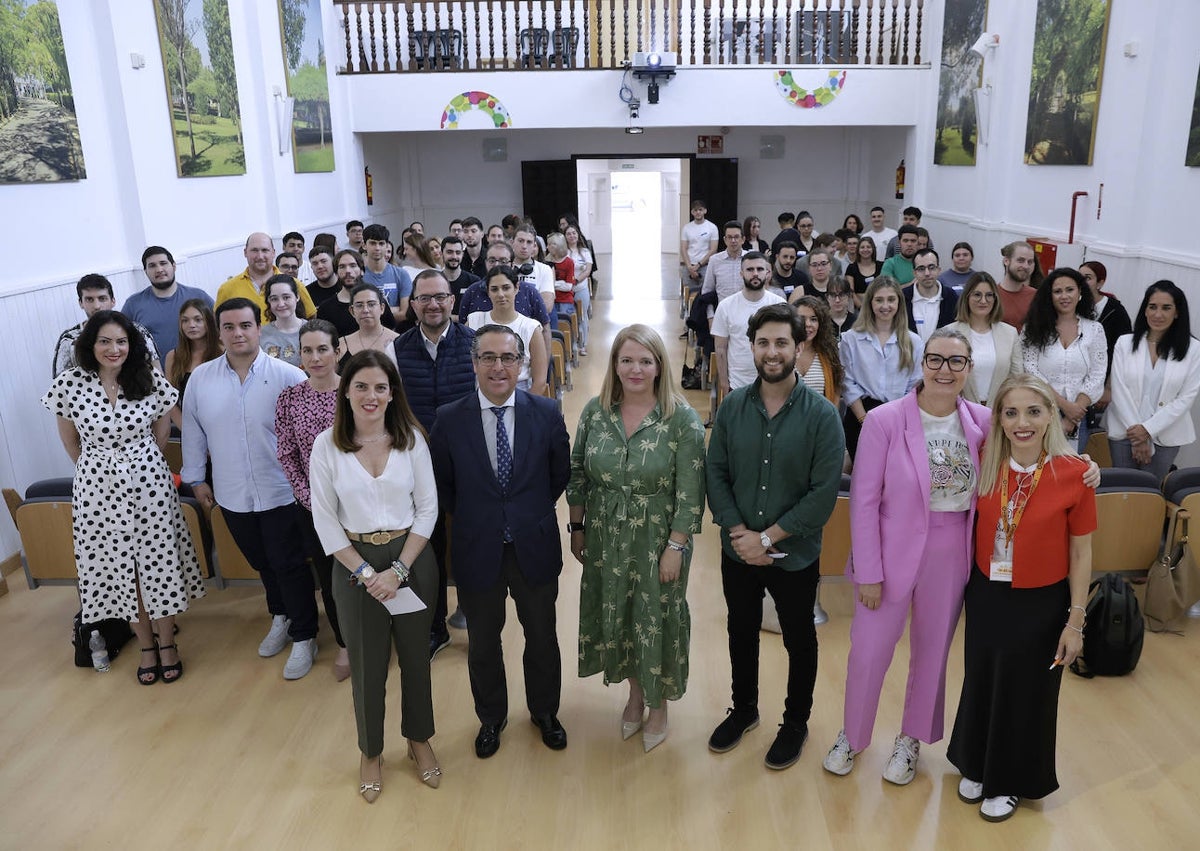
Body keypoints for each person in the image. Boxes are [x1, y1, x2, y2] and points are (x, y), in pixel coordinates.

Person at [824, 328, 990, 784]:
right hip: (889, 548)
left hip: (951, 548)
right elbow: (863, 502)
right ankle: (852, 736)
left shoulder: (983, 422)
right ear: (922, 362)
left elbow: (1035, 449)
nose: (944, 370)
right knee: (870, 651)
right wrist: (869, 572)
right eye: (935, 360)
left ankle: (910, 740)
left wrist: (1084, 467)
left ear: (969, 369)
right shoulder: (885, 420)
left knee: (933, 652)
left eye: (956, 362)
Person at [948, 374, 1095, 823]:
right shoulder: (984, 459)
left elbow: (1081, 550)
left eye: (1033, 411)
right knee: (983, 677)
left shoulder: (1075, 474)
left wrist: (1075, 621)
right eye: (1010, 412)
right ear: (999, 419)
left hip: (1042, 599)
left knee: (1027, 690)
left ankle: (1010, 779)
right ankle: (975, 762)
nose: (1022, 422)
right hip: (988, 591)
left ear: (1051, 414)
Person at [705, 303, 845, 771]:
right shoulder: (731, 407)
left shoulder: (823, 416)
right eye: (763, 342)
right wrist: (739, 532)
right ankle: (744, 710)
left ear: (799, 346)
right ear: (751, 347)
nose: (772, 351)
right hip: (738, 548)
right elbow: (716, 473)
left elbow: (823, 495)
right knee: (740, 632)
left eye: (782, 342)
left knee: (799, 639)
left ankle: (795, 723)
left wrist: (766, 539)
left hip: (795, 554)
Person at [429, 325, 572, 760]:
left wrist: (522, 513)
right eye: (487, 358)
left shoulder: (546, 413)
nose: (497, 367)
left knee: (543, 638)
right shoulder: (449, 419)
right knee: (484, 644)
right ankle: (491, 717)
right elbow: (444, 486)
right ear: (474, 364)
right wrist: (486, 515)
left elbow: (558, 476)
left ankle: (545, 712)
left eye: (507, 358)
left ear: (522, 364)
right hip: (478, 548)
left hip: (534, 544)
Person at [42, 311, 204, 685]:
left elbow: (162, 433)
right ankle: (144, 644)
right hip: (96, 487)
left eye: (121, 342)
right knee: (120, 569)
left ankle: (167, 643)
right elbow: (71, 443)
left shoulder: (147, 378)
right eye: (105, 341)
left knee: (157, 563)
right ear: (90, 345)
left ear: (131, 346)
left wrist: (137, 463)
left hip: (149, 482)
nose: (113, 349)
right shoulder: (69, 383)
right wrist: (102, 470)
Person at [567, 325, 706, 754]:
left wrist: (676, 546)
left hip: (657, 536)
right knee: (619, 615)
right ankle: (636, 693)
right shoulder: (595, 411)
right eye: (626, 360)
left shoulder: (680, 418)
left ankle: (659, 701)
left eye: (645, 360)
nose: (635, 369)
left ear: (660, 366)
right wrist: (578, 526)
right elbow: (577, 472)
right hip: (606, 534)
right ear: (614, 364)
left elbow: (691, 490)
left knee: (657, 617)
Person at [309, 350, 442, 800]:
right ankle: (371, 751)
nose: (371, 395)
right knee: (366, 665)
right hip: (354, 563)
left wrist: (399, 569)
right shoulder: (326, 446)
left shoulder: (411, 440)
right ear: (346, 391)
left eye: (380, 387)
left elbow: (428, 508)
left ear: (392, 394)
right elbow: (326, 522)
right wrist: (369, 573)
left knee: (415, 659)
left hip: (412, 556)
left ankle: (418, 739)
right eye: (361, 386)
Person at [182, 298, 319, 679]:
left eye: (245, 325)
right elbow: (193, 431)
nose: (238, 333)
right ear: (219, 332)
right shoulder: (201, 379)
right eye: (229, 327)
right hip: (231, 491)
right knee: (261, 562)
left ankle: (305, 634)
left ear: (259, 328)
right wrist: (196, 477)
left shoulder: (287, 375)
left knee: (289, 563)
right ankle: (282, 615)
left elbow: (305, 437)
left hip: (281, 489)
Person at [392, 270, 479, 658]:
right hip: (416, 463)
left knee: (470, 544)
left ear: (452, 301)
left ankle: (475, 618)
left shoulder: (474, 344)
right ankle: (434, 628)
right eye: (424, 298)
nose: (433, 304)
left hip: (466, 462)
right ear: (412, 305)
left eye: (440, 297)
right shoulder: (397, 349)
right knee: (426, 548)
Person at [275, 319, 350, 682]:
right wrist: (312, 500)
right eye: (308, 350)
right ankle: (347, 643)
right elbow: (287, 454)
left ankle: (380, 636)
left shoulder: (356, 391)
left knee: (369, 573)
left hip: (361, 504)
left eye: (323, 349)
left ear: (338, 351)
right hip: (314, 508)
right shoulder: (290, 397)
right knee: (333, 579)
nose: (315, 357)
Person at [1107, 281, 1200, 480]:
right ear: (1145, 310)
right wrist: (1138, 436)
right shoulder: (1124, 343)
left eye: (1166, 308)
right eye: (1152, 307)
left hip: (1166, 436)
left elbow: (1186, 398)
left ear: (1177, 312)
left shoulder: (1194, 350)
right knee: (1122, 489)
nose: (1158, 314)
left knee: (1150, 493)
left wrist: (1148, 430)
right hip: (1125, 432)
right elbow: (1119, 390)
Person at [1018, 268, 1107, 450]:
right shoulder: (1033, 328)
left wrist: (1074, 413)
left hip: (1078, 419)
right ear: (1049, 296)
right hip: (1039, 413)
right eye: (1057, 291)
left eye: (1070, 290)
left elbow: (1097, 374)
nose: (1064, 296)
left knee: (1070, 472)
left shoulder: (1094, 330)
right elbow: (1029, 370)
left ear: (1080, 292)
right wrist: (1064, 406)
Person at [839, 276, 924, 459]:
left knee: (895, 475)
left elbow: (914, 384)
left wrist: (898, 419)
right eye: (879, 300)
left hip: (899, 416)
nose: (885, 306)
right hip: (861, 415)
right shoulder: (851, 339)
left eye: (891, 299)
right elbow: (847, 383)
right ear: (870, 302)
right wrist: (864, 419)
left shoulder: (914, 342)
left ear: (899, 303)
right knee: (864, 476)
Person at [53, 274, 159, 376]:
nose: (97, 306)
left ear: (113, 301)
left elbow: (156, 371)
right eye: (89, 299)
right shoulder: (70, 339)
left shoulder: (137, 331)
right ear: (81, 303)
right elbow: (61, 384)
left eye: (102, 298)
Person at [122, 246, 213, 365]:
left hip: (201, 371)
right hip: (156, 379)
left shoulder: (198, 296)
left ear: (174, 266)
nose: (159, 269)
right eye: (152, 266)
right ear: (145, 272)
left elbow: (219, 329)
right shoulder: (133, 304)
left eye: (163, 263)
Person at [712, 252, 786, 396]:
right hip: (738, 383)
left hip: (773, 382)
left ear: (767, 272)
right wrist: (724, 383)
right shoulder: (726, 306)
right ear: (741, 273)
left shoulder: (779, 304)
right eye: (750, 269)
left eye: (759, 269)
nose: (755, 274)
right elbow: (720, 348)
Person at [466, 266, 548, 395]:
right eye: (494, 289)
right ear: (488, 292)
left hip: (520, 393)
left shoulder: (531, 327)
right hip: (480, 394)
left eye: (506, 288)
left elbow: (540, 381)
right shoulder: (473, 321)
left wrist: (525, 410)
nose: (500, 294)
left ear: (516, 288)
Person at [947, 272, 1019, 406]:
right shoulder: (949, 333)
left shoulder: (1010, 333)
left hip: (999, 411)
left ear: (995, 299)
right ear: (967, 297)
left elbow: (1017, 378)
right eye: (977, 295)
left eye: (989, 295)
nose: (983, 301)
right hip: (959, 410)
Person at [216, 231, 318, 317]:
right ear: (245, 252)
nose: (260, 256)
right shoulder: (227, 289)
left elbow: (311, 319)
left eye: (265, 250)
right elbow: (217, 326)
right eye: (254, 250)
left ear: (273, 253)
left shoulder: (295, 285)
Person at [164, 299, 221, 429]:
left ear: (209, 321)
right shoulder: (173, 357)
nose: (191, 325)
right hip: (189, 429)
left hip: (223, 428)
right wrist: (188, 431)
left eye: (198, 320)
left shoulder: (224, 353)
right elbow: (170, 400)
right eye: (185, 320)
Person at [792, 295, 844, 407]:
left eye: (813, 319)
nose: (808, 324)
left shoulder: (829, 352)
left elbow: (836, 390)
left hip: (821, 421)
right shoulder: (783, 352)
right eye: (802, 319)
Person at [903, 248, 959, 342]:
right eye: (921, 269)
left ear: (939, 270)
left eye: (931, 267)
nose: (927, 273)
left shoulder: (951, 297)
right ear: (914, 273)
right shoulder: (903, 297)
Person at [339, 283, 399, 367]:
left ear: (382, 308)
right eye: (359, 305)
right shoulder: (341, 345)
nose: (365, 310)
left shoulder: (399, 342)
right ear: (352, 311)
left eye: (371, 304)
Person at [260, 275, 308, 367]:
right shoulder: (261, 335)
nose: (281, 304)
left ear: (297, 297)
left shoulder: (313, 330)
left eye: (286, 297)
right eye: (274, 299)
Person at [564, 224, 593, 355]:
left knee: (582, 316)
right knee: (568, 316)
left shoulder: (585, 252)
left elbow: (588, 270)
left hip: (581, 288)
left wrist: (576, 280)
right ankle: (572, 344)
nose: (572, 236)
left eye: (574, 233)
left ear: (578, 234)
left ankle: (583, 344)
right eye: (569, 233)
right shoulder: (563, 252)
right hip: (566, 290)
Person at [680, 199, 719, 295]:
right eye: (695, 210)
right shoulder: (686, 228)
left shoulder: (712, 227)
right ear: (692, 212)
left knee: (705, 294)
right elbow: (683, 248)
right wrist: (690, 267)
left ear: (705, 211)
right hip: (689, 267)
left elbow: (713, 249)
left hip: (705, 267)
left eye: (700, 210)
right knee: (688, 295)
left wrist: (698, 265)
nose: (698, 212)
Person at [997, 241, 1038, 330]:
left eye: (1030, 262)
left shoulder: (1036, 296)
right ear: (1006, 261)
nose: (1026, 266)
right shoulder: (992, 295)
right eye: (1021, 260)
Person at [846, 235, 881, 310]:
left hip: (879, 307)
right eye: (862, 247)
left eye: (868, 247)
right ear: (858, 250)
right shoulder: (851, 268)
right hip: (859, 308)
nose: (865, 249)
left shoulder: (881, 266)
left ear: (873, 249)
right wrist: (861, 307)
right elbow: (850, 291)